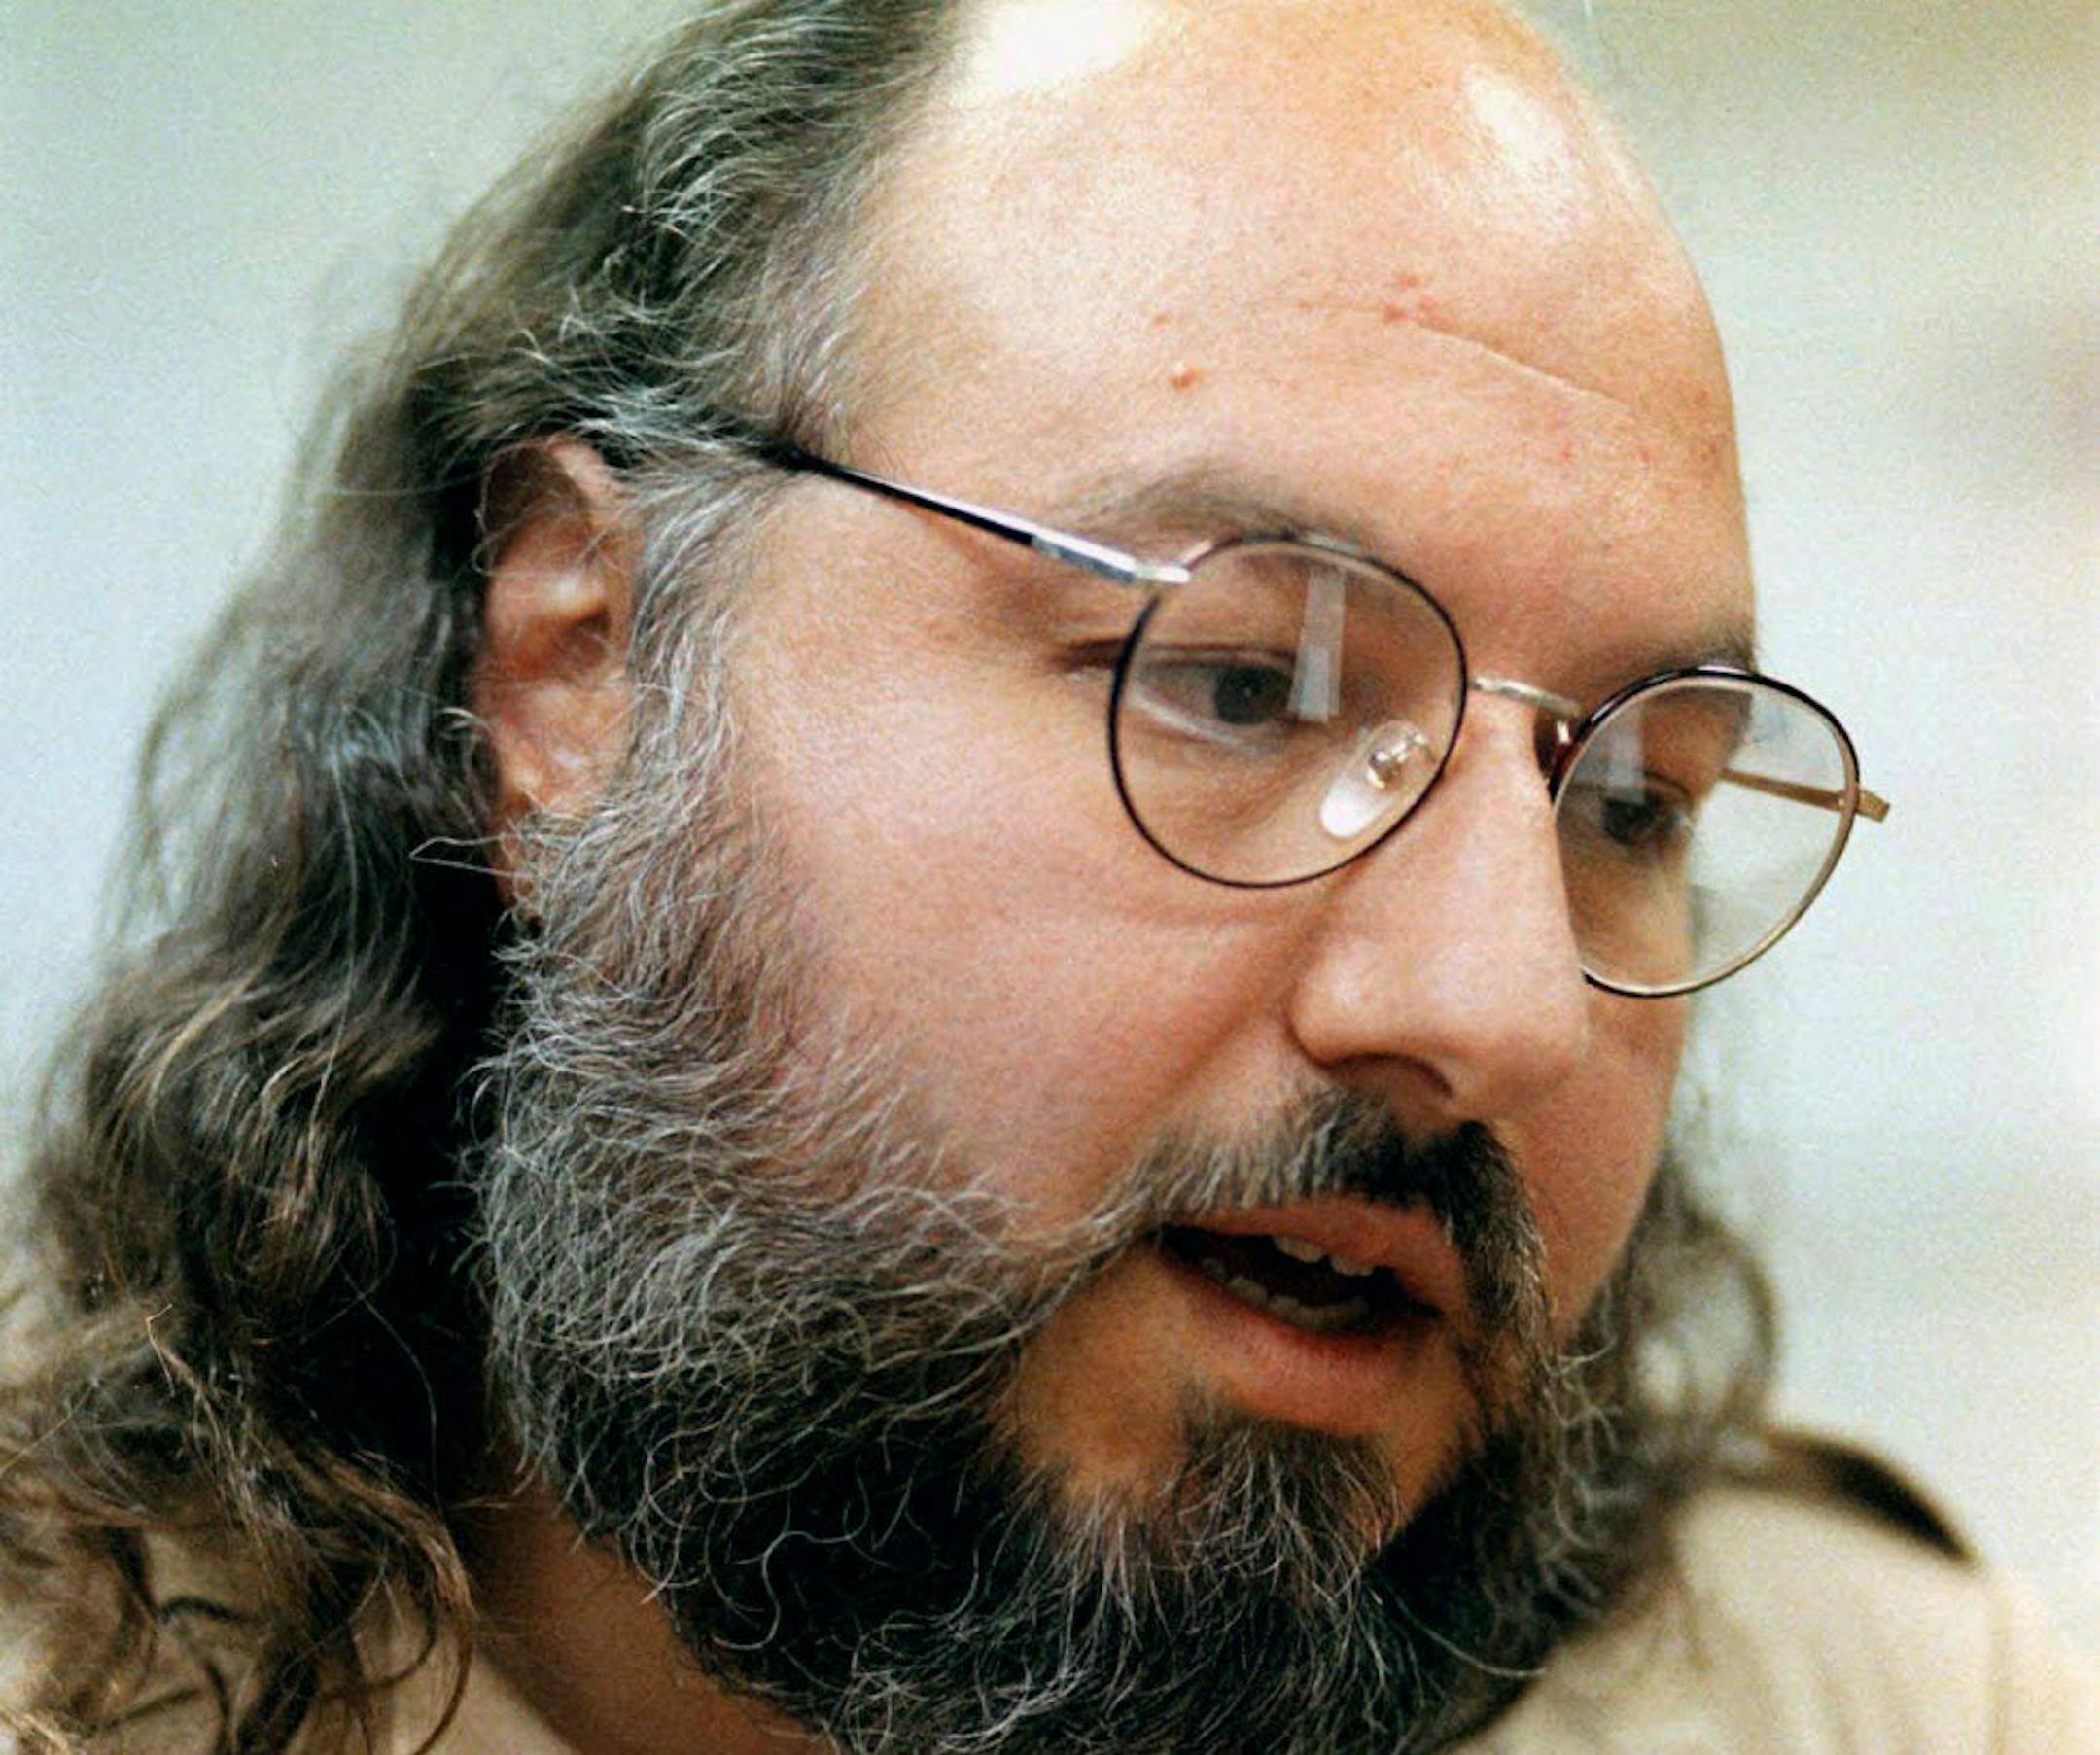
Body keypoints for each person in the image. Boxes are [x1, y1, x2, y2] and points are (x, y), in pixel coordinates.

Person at [2, 0, 2093, 1750]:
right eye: (1245, 684)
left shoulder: (1885, 1710)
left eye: (1630, 801)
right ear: (587, 665)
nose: (1497, 1004)